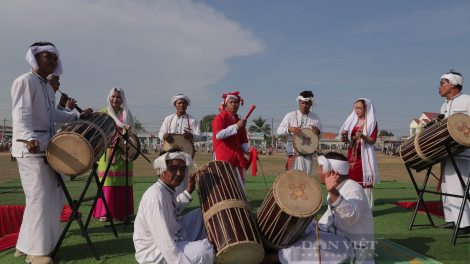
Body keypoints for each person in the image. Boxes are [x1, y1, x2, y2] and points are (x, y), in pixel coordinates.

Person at [11, 42, 84, 264]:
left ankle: (24, 245)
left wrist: (78, 117)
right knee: (39, 198)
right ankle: (36, 252)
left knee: (52, 196)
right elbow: (21, 115)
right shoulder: (25, 81)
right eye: (47, 56)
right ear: (35, 57)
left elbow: (53, 115)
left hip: (49, 148)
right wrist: (29, 138)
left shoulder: (46, 86)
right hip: (31, 149)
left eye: (55, 57)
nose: (52, 60)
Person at [133, 150, 215, 264]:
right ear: (160, 169)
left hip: (174, 234)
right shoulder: (156, 196)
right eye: (173, 169)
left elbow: (174, 209)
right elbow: (163, 241)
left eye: (182, 169)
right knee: (205, 250)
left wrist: (189, 190)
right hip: (155, 251)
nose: (179, 173)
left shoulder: (166, 189)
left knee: (202, 213)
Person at [92, 87, 136, 222]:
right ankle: (105, 212)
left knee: (121, 182)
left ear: (122, 99)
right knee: (107, 182)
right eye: (113, 96)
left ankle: (121, 213)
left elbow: (133, 134)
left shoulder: (127, 114)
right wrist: (107, 143)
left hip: (123, 153)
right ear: (109, 98)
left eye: (118, 97)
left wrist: (128, 131)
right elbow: (97, 133)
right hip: (107, 152)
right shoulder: (102, 114)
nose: (115, 99)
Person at [436, 70, 470, 234]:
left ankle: (464, 223)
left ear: (453, 84)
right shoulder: (444, 105)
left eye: (443, 82)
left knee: (459, 186)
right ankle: (451, 219)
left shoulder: (467, 100)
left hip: (464, 152)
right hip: (447, 152)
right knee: (446, 186)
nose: (439, 86)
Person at [340, 98, 379, 210]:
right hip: (351, 157)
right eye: (356, 107)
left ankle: (366, 209)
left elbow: (372, 140)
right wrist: (343, 135)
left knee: (364, 183)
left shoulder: (372, 123)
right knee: (350, 182)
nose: (357, 110)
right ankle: (351, 206)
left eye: (360, 108)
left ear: (366, 109)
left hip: (364, 158)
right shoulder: (352, 122)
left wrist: (362, 136)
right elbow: (346, 141)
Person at [159, 94, 202, 194]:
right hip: (169, 155)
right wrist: (165, 135)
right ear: (175, 104)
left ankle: (180, 203)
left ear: (187, 105)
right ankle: (169, 200)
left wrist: (191, 136)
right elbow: (160, 133)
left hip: (185, 155)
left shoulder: (192, 120)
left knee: (182, 180)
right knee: (168, 177)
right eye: (179, 103)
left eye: (184, 103)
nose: (181, 105)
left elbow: (199, 136)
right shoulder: (168, 119)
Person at [212, 91, 253, 191]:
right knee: (224, 184)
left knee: (239, 183)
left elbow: (243, 142)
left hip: (237, 156)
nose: (234, 104)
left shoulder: (240, 121)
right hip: (223, 155)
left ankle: (239, 202)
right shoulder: (219, 118)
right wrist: (236, 126)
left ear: (239, 105)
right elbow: (218, 135)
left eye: (236, 102)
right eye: (231, 102)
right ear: (226, 104)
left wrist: (249, 151)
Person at [277, 91, 323, 174]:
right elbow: (279, 131)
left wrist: (318, 131)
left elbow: (321, 135)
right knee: (291, 178)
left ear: (311, 104)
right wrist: (289, 129)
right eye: (302, 103)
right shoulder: (290, 116)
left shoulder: (316, 118)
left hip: (308, 154)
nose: (304, 106)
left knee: (306, 179)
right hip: (293, 153)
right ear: (299, 102)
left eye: (307, 104)